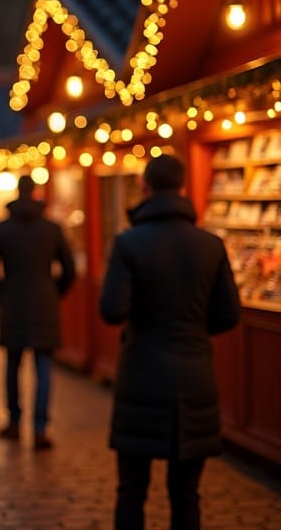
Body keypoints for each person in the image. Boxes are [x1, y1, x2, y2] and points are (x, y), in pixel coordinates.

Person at [99, 154, 241, 530]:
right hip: (195, 379)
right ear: (182, 188)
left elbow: (112, 309)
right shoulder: (211, 244)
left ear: (145, 187)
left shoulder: (128, 244)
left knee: (131, 490)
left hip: (141, 377)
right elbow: (229, 313)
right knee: (187, 492)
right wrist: (192, 330)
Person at [0, 174, 75, 450]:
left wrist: (0, 293)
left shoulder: (2, 229)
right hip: (45, 301)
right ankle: (40, 427)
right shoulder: (52, 229)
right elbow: (68, 268)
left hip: (12, 300)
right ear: (35, 193)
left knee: (12, 364)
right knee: (43, 366)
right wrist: (54, 291)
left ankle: (13, 421)